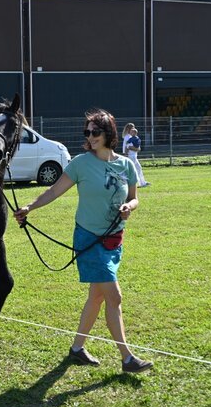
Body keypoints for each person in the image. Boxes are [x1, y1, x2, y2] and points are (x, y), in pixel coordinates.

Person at [13, 109, 153, 374]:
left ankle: (77, 348)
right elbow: (54, 190)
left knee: (97, 297)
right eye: (87, 132)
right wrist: (30, 207)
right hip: (89, 239)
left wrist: (129, 207)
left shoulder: (126, 164)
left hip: (114, 240)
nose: (90, 136)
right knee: (114, 297)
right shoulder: (80, 163)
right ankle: (127, 358)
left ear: (108, 133)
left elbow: (135, 197)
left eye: (95, 131)